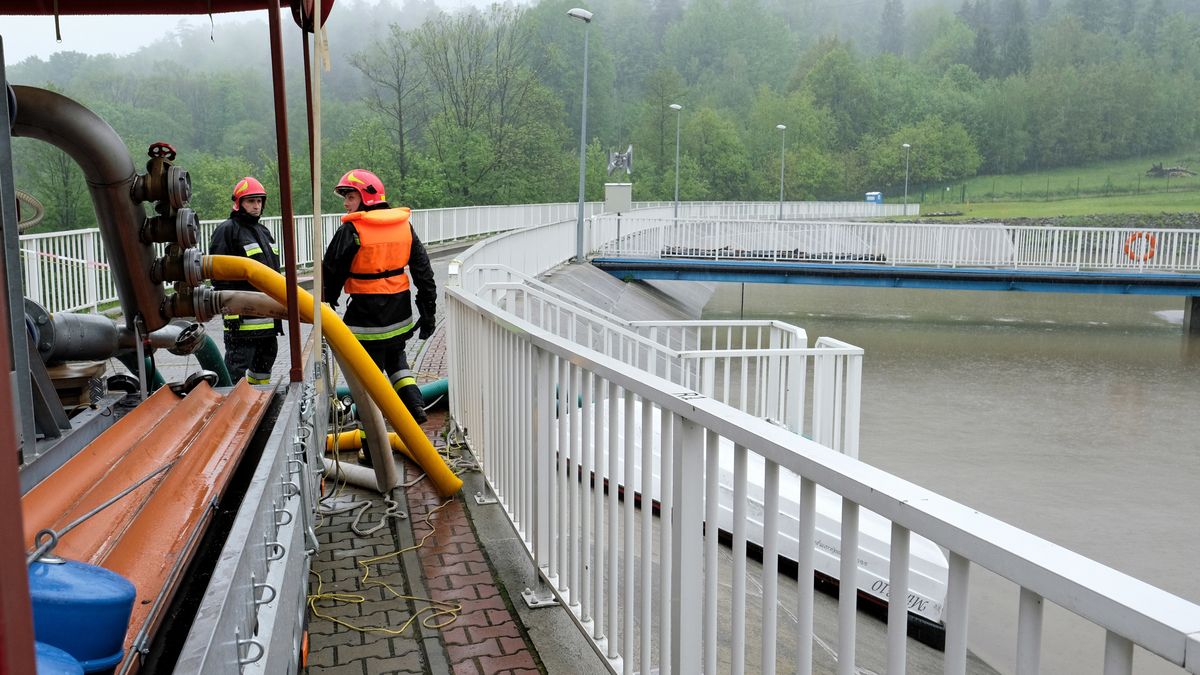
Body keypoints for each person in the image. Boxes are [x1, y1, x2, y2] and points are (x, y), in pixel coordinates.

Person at [322, 169, 436, 426]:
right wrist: (428, 311)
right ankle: (415, 405)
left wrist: (328, 298)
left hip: (366, 319)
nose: (345, 203)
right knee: (397, 360)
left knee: (367, 380)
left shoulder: (353, 229)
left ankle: (369, 446)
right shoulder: (403, 225)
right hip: (400, 314)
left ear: (365, 197)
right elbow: (423, 271)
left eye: (350, 197)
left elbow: (331, 268)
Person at [208, 176, 281, 385]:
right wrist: (230, 309)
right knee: (235, 369)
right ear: (239, 203)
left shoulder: (263, 232)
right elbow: (218, 274)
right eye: (251, 201)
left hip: (267, 319)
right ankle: (230, 409)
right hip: (241, 323)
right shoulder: (227, 230)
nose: (256, 206)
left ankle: (258, 402)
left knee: (264, 366)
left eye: (259, 201)